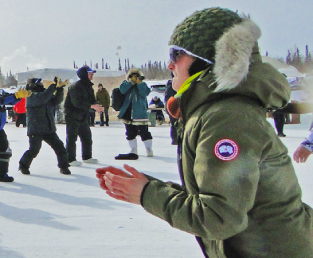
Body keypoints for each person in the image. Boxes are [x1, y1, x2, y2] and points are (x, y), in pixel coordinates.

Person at [96, 8, 313, 257]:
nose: (170, 64)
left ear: (209, 59)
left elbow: (219, 218)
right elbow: (217, 199)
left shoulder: (226, 117)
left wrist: (147, 195)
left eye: (176, 54)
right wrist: (146, 186)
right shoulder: (215, 110)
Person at [18, 77, 71, 175]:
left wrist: (59, 88)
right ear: (32, 85)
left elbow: (56, 101)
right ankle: (23, 165)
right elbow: (43, 97)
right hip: (36, 129)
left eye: (41, 82)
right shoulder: (31, 95)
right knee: (34, 150)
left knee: (59, 147)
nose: (41, 84)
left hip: (48, 128)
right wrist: (53, 86)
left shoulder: (45, 94)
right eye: (38, 83)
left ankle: (64, 166)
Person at [63, 66, 102, 166]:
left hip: (83, 115)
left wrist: (96, 106)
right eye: (90, 73)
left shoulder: (89, 87)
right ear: (84, 74)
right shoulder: (75, 86)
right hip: (72, 116)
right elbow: (76, 103)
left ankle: (87, 157)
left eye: (92, 73)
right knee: (72, 138)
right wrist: (91, 106)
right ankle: (70, 159)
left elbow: (92, 100)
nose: (92, 74)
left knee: (87, 137)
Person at [114, 69, 153, 160]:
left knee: (144, 132)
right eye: (132, 76)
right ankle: (133, 149)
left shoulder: (143, 84)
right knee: (130, 132)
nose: (134, 78)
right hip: (128, 112)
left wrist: (139, 83)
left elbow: (145, 93)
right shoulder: (125, 83)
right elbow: (122, 90)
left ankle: (148, 148)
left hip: (140, 113)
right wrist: (130, 82)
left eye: (136, 76)